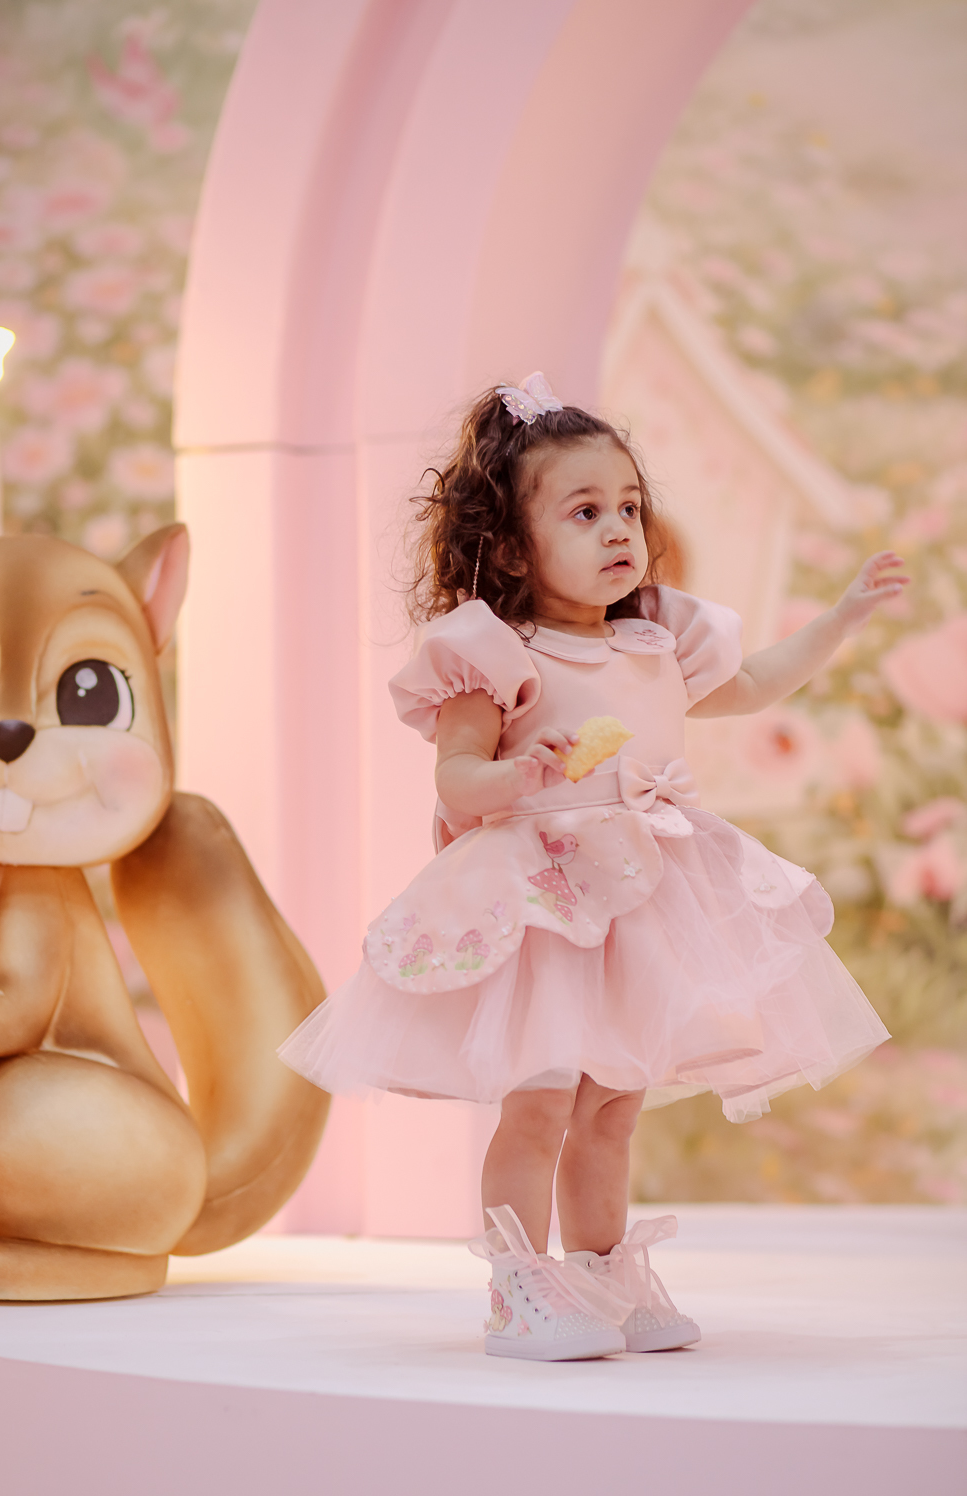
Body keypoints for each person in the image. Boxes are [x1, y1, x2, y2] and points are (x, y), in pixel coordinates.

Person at [279, 374, 905, 1362]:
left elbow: (751, 685)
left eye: (628, 508)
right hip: (543, 900)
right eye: (583, 512)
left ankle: (603, 1269)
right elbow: (455, 777)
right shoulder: (491, 653)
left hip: (643, 895)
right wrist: (515, 772)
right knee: (538, 1101)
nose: (618, 529)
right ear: (507, 545)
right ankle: (518, 1286)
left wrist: (840, 619)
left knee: (612, 1106)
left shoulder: (657, 639)